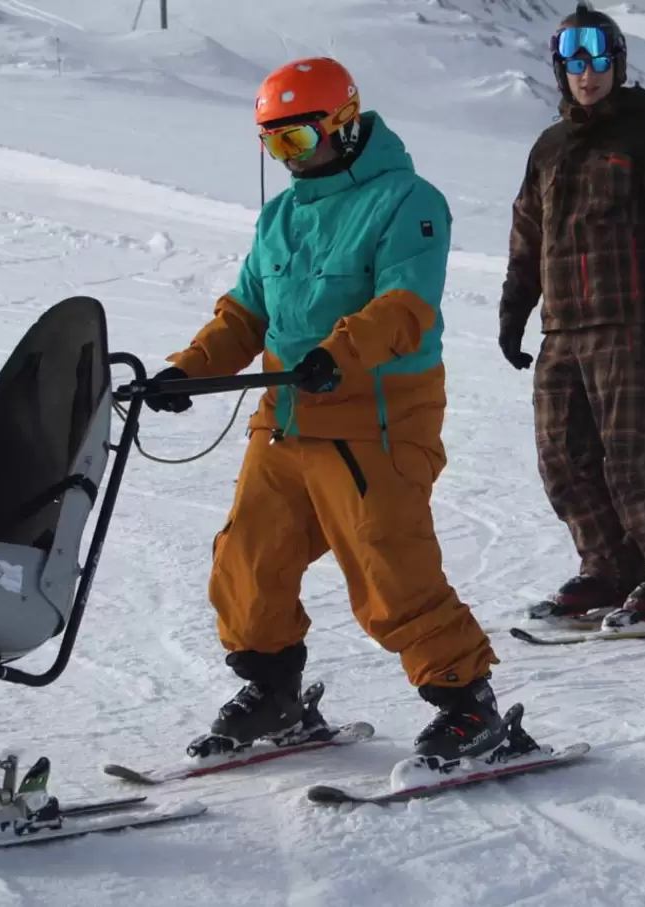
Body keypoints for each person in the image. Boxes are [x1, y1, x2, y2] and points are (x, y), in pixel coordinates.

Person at [150, 57, 505, 765]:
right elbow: (246, 311)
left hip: (373, 416)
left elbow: (404, 306)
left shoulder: (409, 200)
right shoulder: (279, 215)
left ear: (343, 124)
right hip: (285, 416)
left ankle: (469, 703)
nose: (288, 159)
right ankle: (275, 692)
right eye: (274, 145)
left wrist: (338, 355)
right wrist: (188, 369)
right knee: (248, 560)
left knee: (387, 563)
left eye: (299, 141)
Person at [498, 3, 645, 632]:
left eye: (599, 59)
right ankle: (611, 569)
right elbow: (528, 235)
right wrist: (513, 310)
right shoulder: (548, 148)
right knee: (563, 458)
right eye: (574, 61)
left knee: (629, 456)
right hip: (562, 328)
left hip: (630, 323)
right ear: (560, 70)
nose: (588, 73)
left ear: (618, 64)